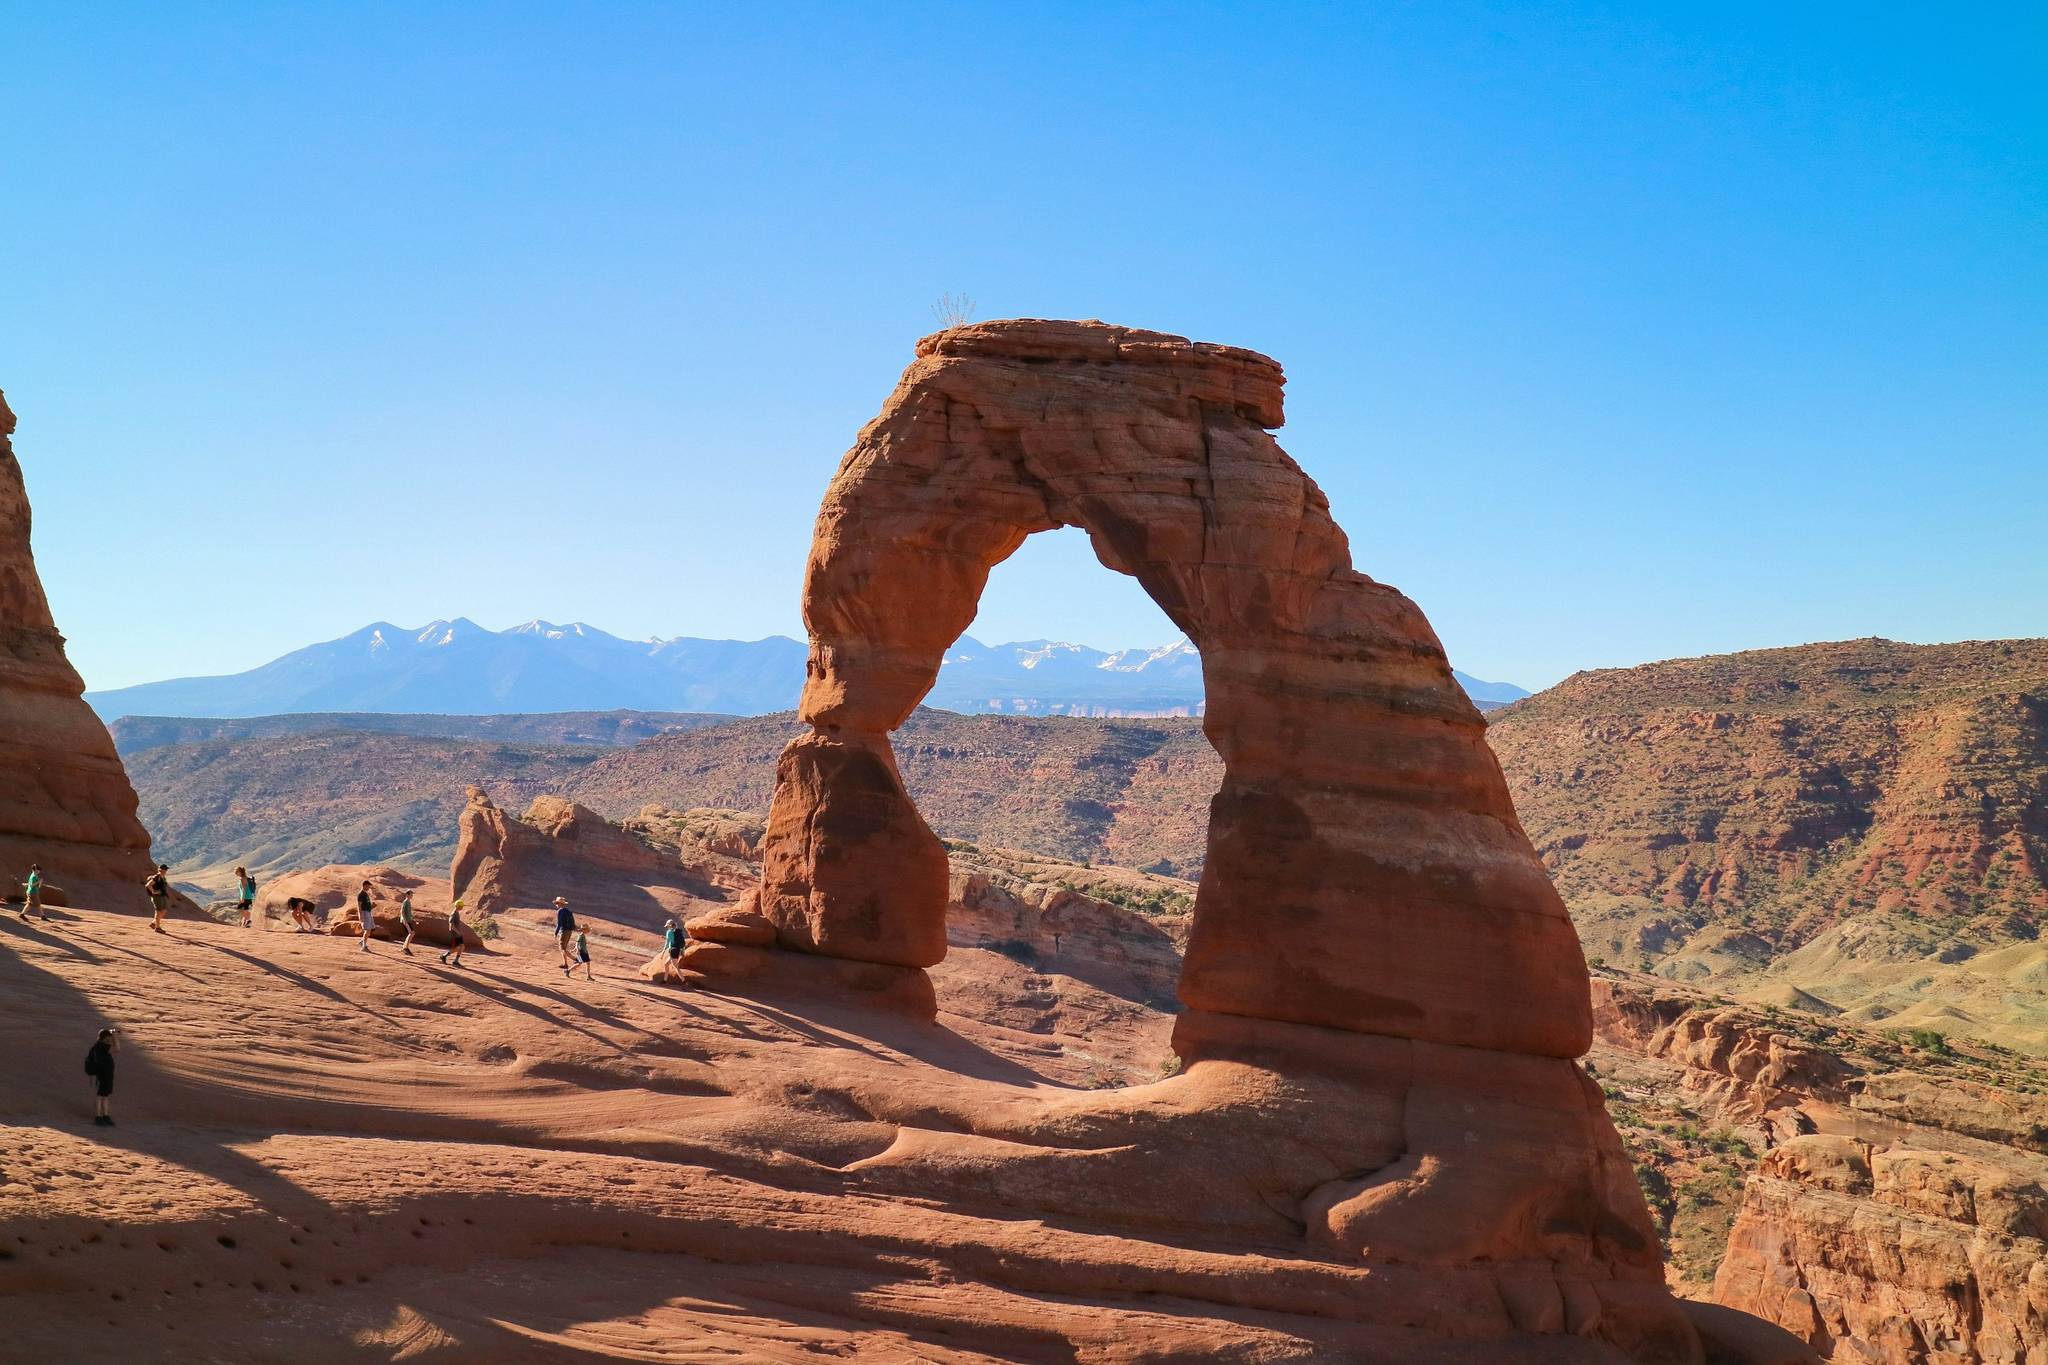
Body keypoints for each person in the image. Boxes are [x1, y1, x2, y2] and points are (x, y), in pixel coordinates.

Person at [84, 1027, 118, 1126]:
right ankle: (98, 1117)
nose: (110, 1039)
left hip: (106, 1074)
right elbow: (117, 1049)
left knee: (104, 1096)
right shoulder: (101, 1046)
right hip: (102, 1074)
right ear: (105, 1037)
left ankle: (105, 1116)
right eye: (109, 1037)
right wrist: (115, 1037)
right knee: (100, 1096)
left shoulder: (99, 1046)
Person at [552, 897, 577, 972]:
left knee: (562, 948)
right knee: (563, 948)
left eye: (557, 903)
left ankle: (575, 959)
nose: (556, 904)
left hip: (564, 931)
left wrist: (556, 933)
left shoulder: (560, 911)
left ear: (560, 904)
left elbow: (559, 924)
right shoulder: (568, 911)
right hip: (569, 931)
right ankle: (565, 964)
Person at [439, 900, 467, 967]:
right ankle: (445, 956)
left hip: (458, 934)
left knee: (461, 947)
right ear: (458, 906)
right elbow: (451, 925)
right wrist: (458, 932)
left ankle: (454, 960)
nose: (462, 907)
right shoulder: (453, 913)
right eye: (461, 906)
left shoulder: (457, 912)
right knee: (458, 948)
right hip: (455, 934)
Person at [144, 864, 171, 933]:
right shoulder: (157, 877)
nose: (165, 871)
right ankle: (157, 928)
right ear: (160, 869)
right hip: (157, 897)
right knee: (158, 912)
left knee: (164, 911)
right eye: (164, 869)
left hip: (162, 896)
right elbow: (148, 885)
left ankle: (153, 923)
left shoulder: (163, 877)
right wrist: (154, 891)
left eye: (166, 869)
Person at [661, 917, 686, 985]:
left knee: (675, 967)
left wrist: (663, 952)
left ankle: (683, 981)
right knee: (666, 964)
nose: (666, 927)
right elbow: (683, 942)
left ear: (669, 925)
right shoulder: (678, 932)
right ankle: (665, 980)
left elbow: (667, 942)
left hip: (673, 950)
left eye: (667, 926)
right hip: (677, 950)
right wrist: (683, 951)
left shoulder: (669, 932)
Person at [356, 881, 375, 953]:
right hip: (364, 913)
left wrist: (372, 906)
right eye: (368, 886)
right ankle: (364, 947)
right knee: (367, 930)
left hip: (368, 912)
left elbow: (366, 904)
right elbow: (359, 905)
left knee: (370, 929)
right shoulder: (360, 894)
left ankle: (362, 942)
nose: (369, 888)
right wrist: (360, 915)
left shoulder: (365, 894)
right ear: (364, 885)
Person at [397, 889, 416, 955]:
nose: (412, 895)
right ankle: (405, 948)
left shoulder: (408, 902)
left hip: (407, 920)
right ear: (407, 894)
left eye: (412, 894)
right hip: (405, 921)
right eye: (411, 894)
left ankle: (405, 947)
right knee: (411, 933)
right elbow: (402, 911)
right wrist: (404, 920)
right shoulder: (405, 902)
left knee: (412, 933)